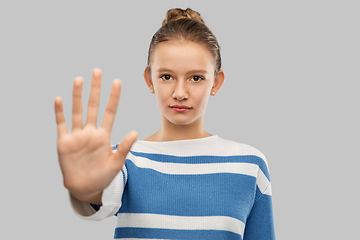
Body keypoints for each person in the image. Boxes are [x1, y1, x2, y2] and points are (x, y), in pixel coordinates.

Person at [54, 8, 276, 240]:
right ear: (149, 79)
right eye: (166, 76)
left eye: (196, 78)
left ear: (216, 82)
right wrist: (85, 189)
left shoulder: (250, 165)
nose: (180, 93)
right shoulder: (123, 160)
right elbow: (98, 195)